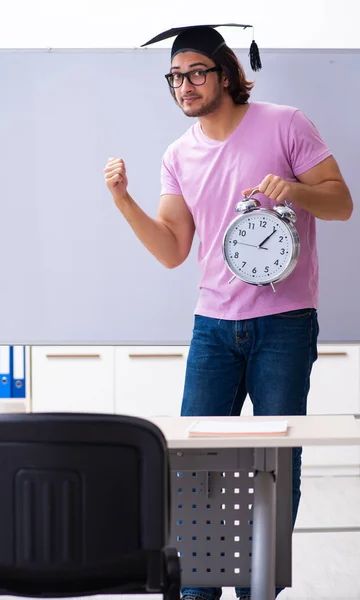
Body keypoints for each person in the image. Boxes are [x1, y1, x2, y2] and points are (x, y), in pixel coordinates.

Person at [104, 24, 353, 600]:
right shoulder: (178, 155)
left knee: (276, 458)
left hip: (285, 325)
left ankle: (258, 586)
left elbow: (340, 202)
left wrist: (295, 190)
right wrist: (124, 201)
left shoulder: (285, 123)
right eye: (175, 76)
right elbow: (171, 249)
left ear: (227, 73)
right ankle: (199, 588)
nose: (184, 85)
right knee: (198, 462)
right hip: (213, 328)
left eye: (196, 72)